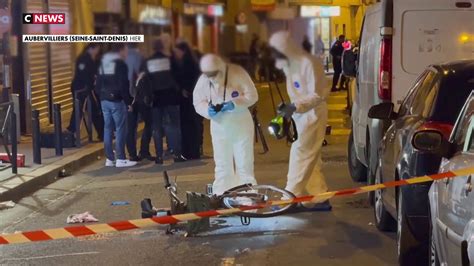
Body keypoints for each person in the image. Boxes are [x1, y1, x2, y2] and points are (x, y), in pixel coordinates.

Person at [269, 31, 331, 210]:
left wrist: (295, 106)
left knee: (301, 154)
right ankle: (319, 196)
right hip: (301, 115)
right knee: (311, 156)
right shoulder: (291, 64)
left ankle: (290, 198)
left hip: (313, 115)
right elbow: (297, 92)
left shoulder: (309, 63)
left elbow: (318, 94)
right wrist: (289, 108)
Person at [193, 54, 258, 195]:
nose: (211, 77)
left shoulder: (237, 73)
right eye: (208, 75)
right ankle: (222, 194)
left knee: (244, 161)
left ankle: (247, 195)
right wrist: (208, 111)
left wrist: (234, 104)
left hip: (240, 123)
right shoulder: (204, 79)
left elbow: (252, 95)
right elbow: (198, 101)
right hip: (219, 125)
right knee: (222, 164)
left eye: (213, 74)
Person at [141, 38, 186, 164]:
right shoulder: (169, 59)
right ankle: (177, 154)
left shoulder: (148, 62)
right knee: (174, 126)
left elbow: (145, 80)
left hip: (156, 98)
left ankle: (159, 156)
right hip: (171, 96)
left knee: (156, 127)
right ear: (162, 47)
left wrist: (148, 96)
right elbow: (177, 77)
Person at [96, 44, 137, 168]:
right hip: (116, 101)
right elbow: (123, 84)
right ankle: (121, 158)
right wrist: (129, 102)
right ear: (120, 51)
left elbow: (97, 83)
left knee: (107, 128)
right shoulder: (120, 64)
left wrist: (102, 96)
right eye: (125, 51)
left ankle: (109, 159)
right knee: (120, 129)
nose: (127, 53)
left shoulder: (103, 63)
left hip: (104, 100)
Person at [67, 43, 103, 140]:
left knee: (92, 109)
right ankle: (71, 131)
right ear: (92, 48)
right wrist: (91, 86)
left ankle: (101, 133)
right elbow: (84, 75)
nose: (97, 52)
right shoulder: (84, 58)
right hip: (81, 88)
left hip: (85, 88)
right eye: (97, 49)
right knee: (80, 109)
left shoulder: (90, 59)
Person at [125, 43, 154, 162]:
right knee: (149, 123)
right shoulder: (141, 58)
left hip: (128, 98)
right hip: (140, 97)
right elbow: (144, 77)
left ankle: (132, 154)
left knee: (130, 128)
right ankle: (144, 151)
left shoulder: (122, 59)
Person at [174, 41, 203, 160]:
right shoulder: (194, 62)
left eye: (177, 51)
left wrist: (184, 90)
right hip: (194, 98)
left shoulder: (186, 64)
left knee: (187, 127)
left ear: (183, 51)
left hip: (187, 100)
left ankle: (187, 153)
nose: (176, 54)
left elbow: (184, 79)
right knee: (194, 126)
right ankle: (194, 152)